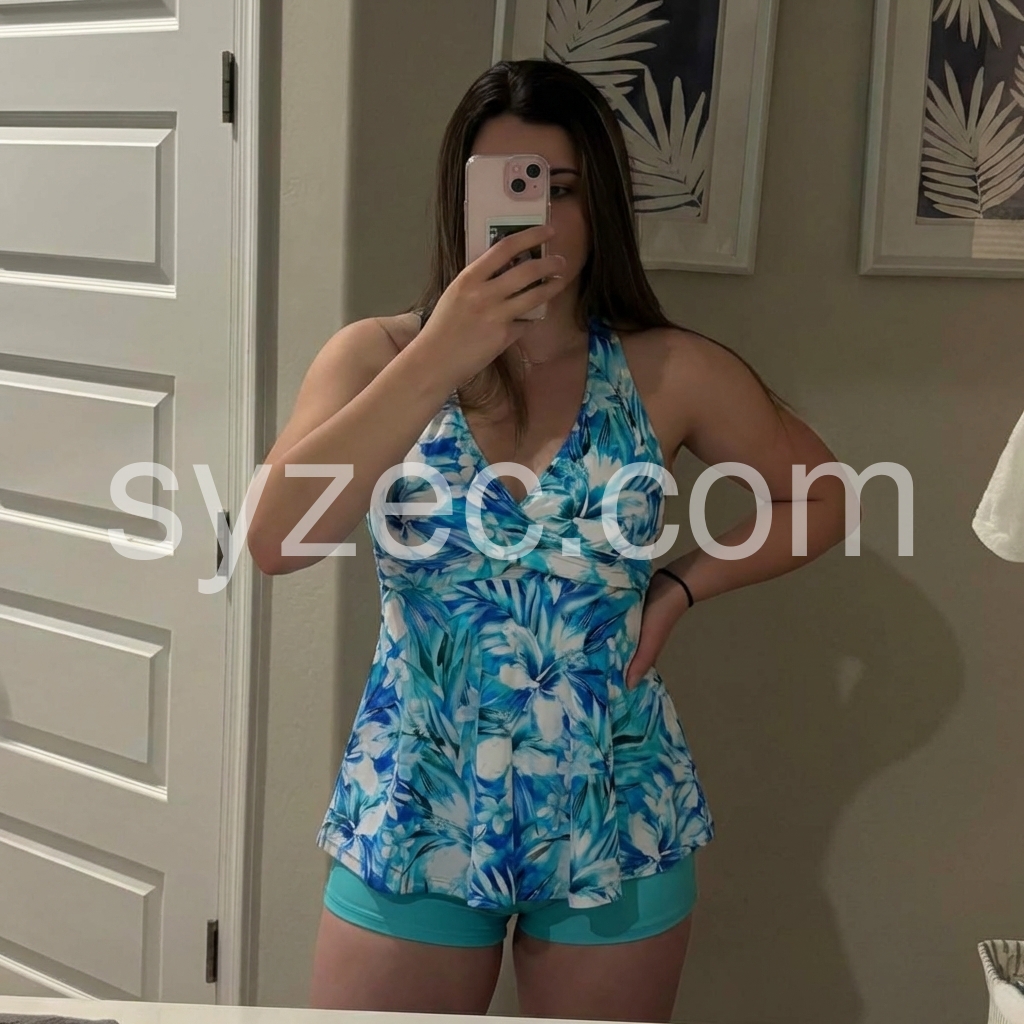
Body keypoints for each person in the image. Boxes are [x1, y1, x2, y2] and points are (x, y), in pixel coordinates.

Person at [247, 59, 850, 1022]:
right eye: (507, 189)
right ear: (460, 203)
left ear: (599, 201)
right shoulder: (376, 358)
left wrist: (680, 588)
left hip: (614, 799)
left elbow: (821, 496)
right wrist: (443, 354)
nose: (536, 219)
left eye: (560, 189)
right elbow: (278, 541)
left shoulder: (667, 370)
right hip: (418, 798)